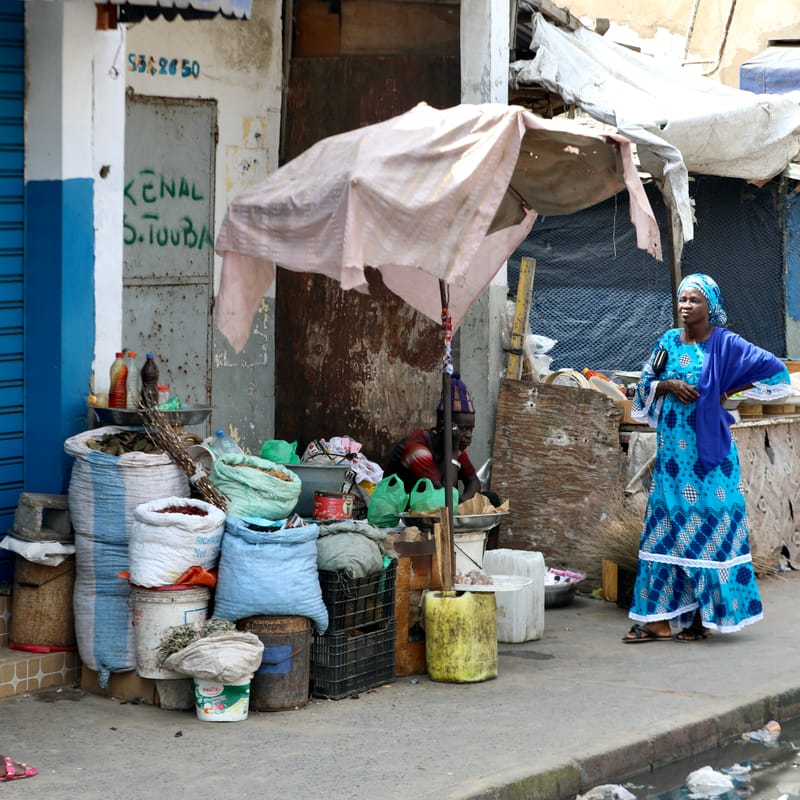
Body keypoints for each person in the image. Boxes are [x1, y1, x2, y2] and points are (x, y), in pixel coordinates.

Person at [622, 273, 790, 644]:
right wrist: (666, 385)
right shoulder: (667, 341)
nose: (686, 306)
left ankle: (703, 616)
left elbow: (775, 372)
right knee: (665, 531)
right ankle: (658, 621)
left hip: (708, 459)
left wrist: (728, 390)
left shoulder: (726, 343)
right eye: (682, 299)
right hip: (671, 460)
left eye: (694, 300)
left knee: (711, 528)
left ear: (710, 306)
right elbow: (645, 385)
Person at [383, 372, 482, 502]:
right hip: (402, 509)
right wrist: (453, 453)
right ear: (443, 426)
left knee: (491, 497)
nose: (469, 435)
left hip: (431, 505)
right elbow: (442, 495)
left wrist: (462, 501)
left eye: (471, 429)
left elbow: (473, 481)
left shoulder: (454, 445)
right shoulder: (416, 448)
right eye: (463, 429)